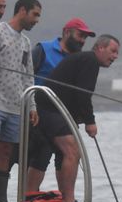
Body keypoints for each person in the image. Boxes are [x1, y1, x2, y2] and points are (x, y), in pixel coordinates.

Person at [36, 35, 120, 202]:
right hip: (51, 109)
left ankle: (66, 201)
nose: (115, 56)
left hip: (54, 109)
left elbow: (74, 92)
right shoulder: (89, 61)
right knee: (73, 151)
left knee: (64, 153)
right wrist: (90, 121)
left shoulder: (86, 60)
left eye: (117, 53)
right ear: (99, 48)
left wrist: (79, 117)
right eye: (113, 51)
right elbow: (83, 95)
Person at [0, 0, 41, 202]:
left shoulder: (26, 42)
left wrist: (32, 105)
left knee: (6, 151)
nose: (37, 20)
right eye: (35, 15)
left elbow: (28, 75)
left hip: (15, 106)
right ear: (22, 10)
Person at [26, 17, 96, 192]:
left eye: (85, 38)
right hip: (39, 110)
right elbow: (26, 75)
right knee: (41, 155)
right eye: (80, 35)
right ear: (67, 32)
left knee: (64, 155)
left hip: (63, 115)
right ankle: (29, 197)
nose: (82, 40)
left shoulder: (79, 59)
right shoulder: (43, 49)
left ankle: (66, 200)